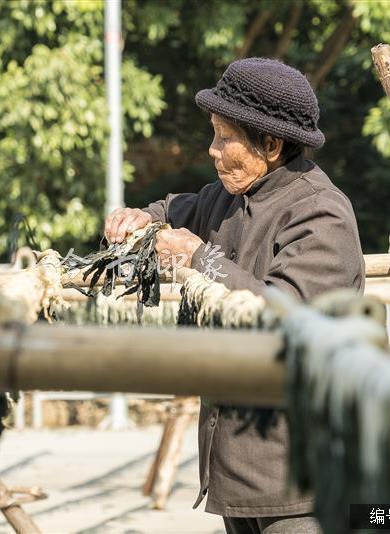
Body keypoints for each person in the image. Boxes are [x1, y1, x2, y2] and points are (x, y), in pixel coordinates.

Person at [104, 57, 364, 534]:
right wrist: (140, 217)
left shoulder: (322, 215)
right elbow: (171, 209)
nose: (213, 150)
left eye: (225, 137)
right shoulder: (226, 198)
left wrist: (199, 256)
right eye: (214, 134)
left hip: (299, 489)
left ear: (270, 143)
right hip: (237, 481)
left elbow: (286, 315)